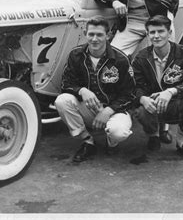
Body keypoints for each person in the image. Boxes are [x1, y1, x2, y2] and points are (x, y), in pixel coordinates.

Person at [54, 16, 135, 163]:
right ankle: (88, 141)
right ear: (85, 33)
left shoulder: (120, 59)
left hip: (114, 111)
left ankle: (112, 142)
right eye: (91, 34)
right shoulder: (76, 55)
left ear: (108, 35)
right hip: (89, 109)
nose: (95, 39)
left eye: (99, 34)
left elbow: (130, 95)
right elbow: (66, 84)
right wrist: (82, 91)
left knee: (118, 132)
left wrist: (108, 111)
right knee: (62, 101)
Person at [132, 15, 183, 160]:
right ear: (147, 35)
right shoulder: (141, 58)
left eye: (161, 31)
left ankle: (182, 142)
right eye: (152, 32)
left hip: (175, 103)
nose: (156, 36)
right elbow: (134, 85)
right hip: (152, 106)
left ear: (169, 33)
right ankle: (154, 135)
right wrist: (143, 98)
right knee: (140, 109)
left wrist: (171, 92)